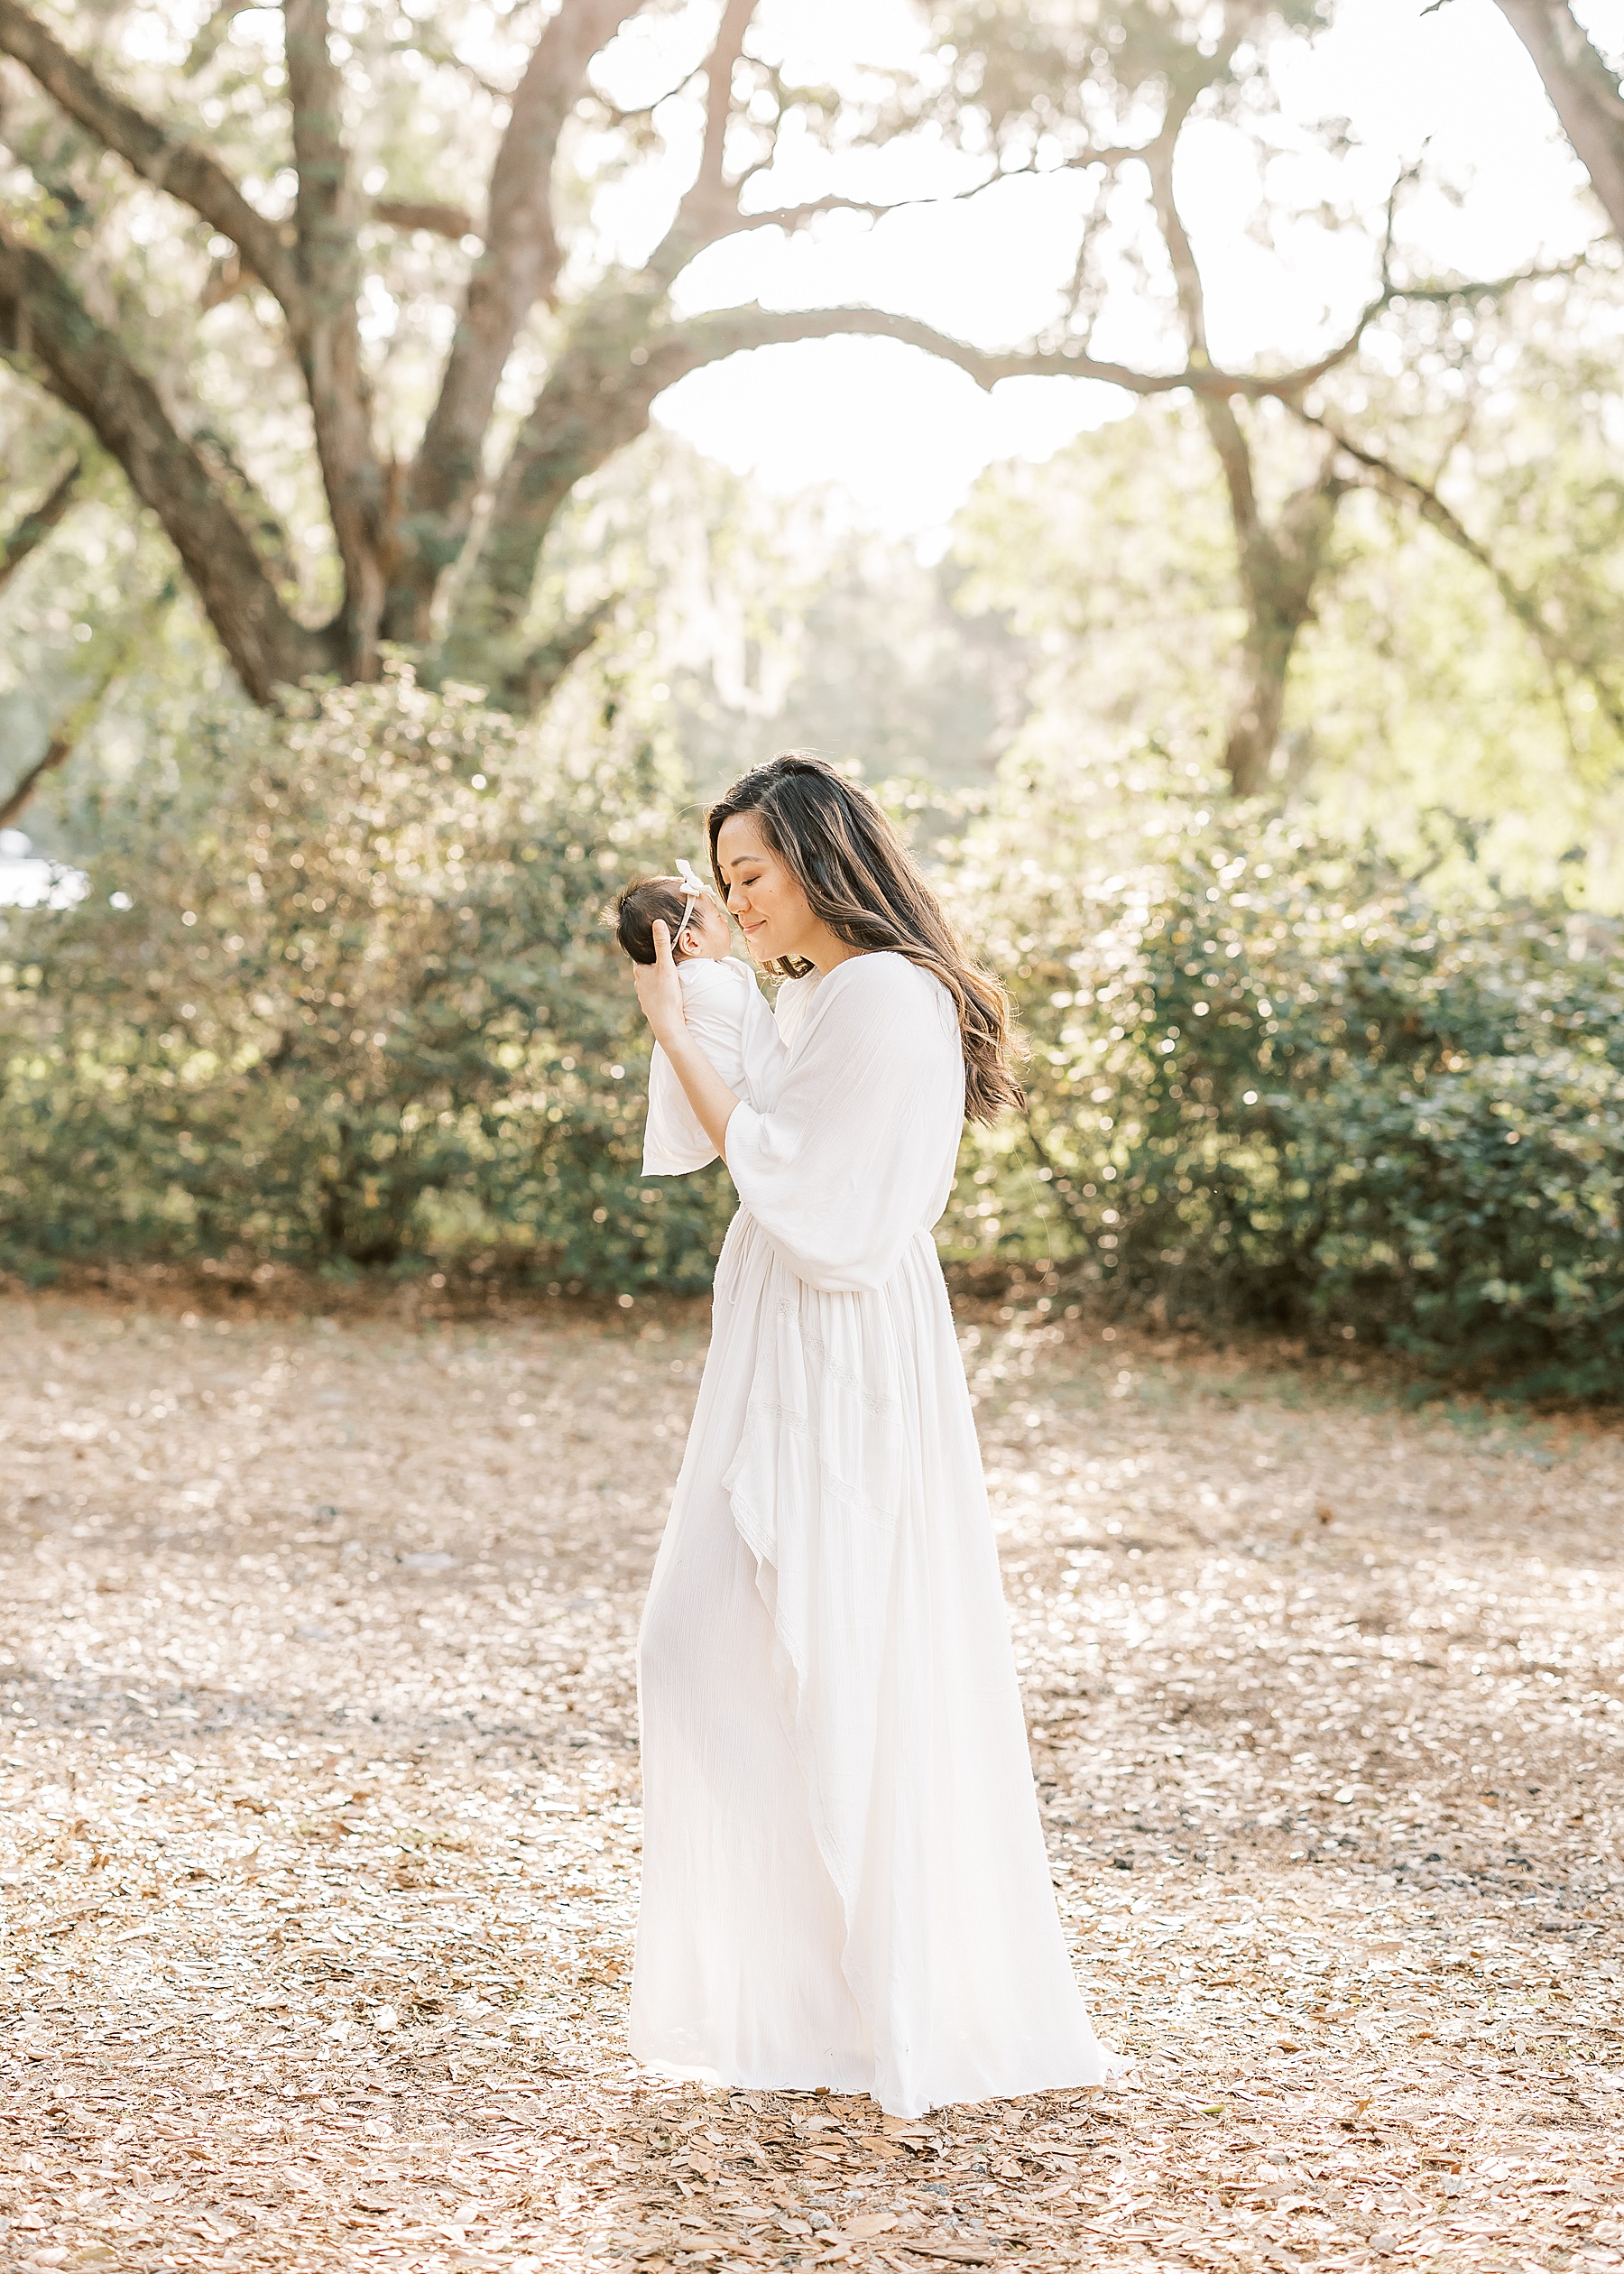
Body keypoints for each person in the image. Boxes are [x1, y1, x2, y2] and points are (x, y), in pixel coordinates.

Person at [626, 753, 1112, 2119]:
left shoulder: (891, 998)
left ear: (823, 858)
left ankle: (868, 2005)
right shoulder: (833, 994)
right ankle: (805, 1999)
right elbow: (773, 1120)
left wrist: (679, 1027)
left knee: (830, 1649)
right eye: (727, 880)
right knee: (708, 1648)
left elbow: (812, 1195)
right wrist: (712, 979)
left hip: (842, 1348)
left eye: (756, 875)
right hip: (787, 1334)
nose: (743, 898)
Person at [613, 863, 786, 1176]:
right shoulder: (701, 980)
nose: (726, 917)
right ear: (691, 943)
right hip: (753, 1110)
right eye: (717, 917)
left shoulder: (684, 983)